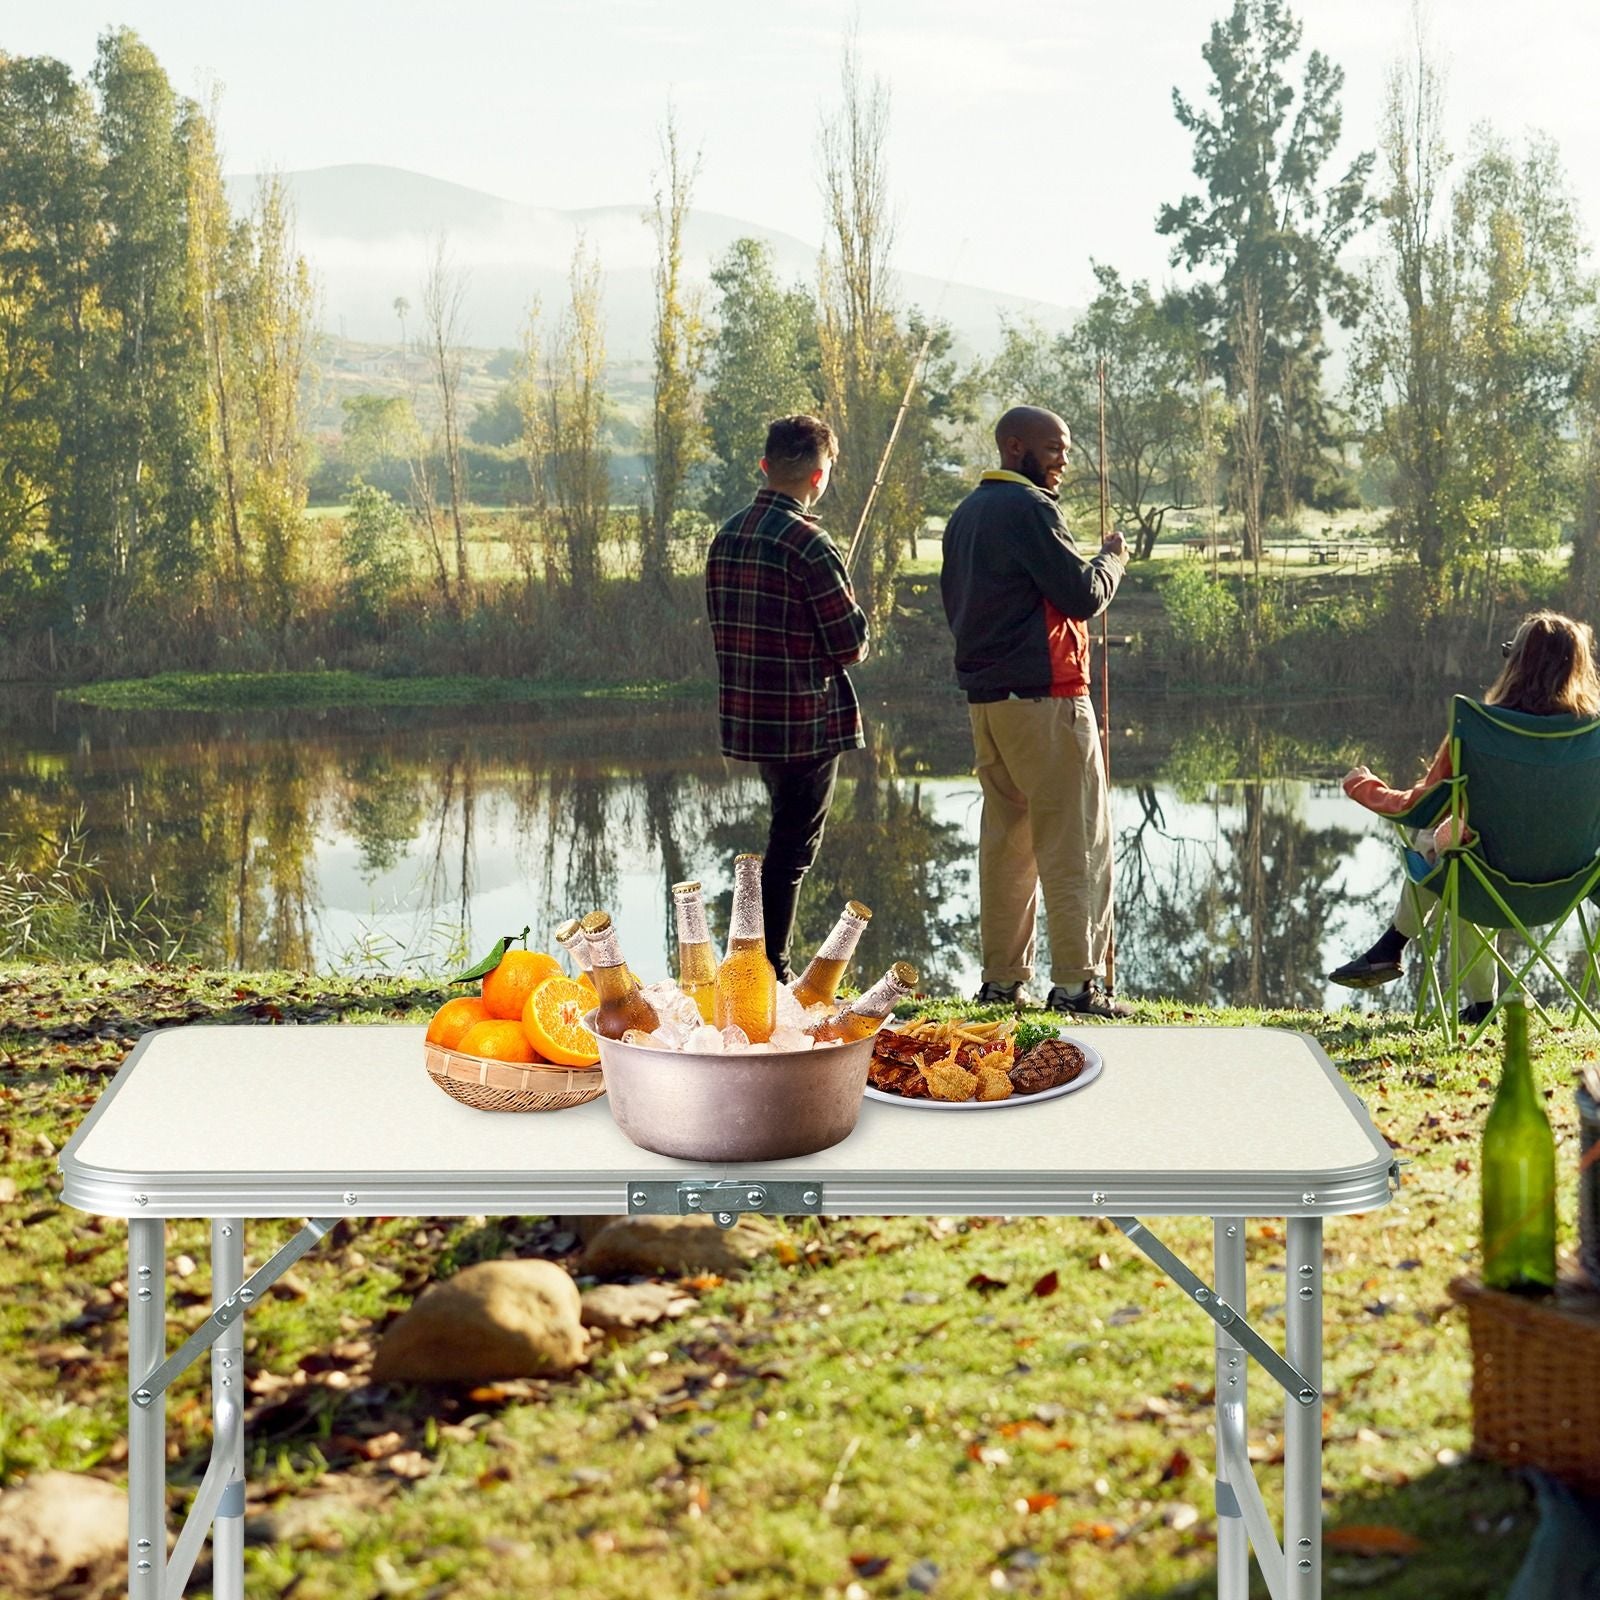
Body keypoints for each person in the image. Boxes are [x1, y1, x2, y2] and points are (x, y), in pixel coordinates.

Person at [941, 405, 1128, 1016]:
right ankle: (1077, 985)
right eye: (1053, 449)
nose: (1064, 461)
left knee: (1007, 847)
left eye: (1067, 450)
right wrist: (1112, 560)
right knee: (1074, 841)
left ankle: (1002, 982)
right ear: (1014, 446)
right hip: (1046, 702)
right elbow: (1080, 594)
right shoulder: (1029, 508)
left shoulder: (964, 515)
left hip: (988, 707)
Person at [1329, 610, 1600, 1023]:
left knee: (1450, 853)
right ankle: (1475, 1001)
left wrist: (1362, 786)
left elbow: (1418, 807)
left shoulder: (1478, 728)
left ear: (1518, 664)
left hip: (1487, 885)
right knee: (1461, 852)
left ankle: (1396, 947)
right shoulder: (1592, 735)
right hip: (1569, 887)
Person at [705, 414, 869, 981]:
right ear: (819, 477)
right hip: (805, 723)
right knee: (792, 851)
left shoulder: (726, 535)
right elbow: (849, 645)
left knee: (782, 836)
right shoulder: (811, 544)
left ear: (766, 466)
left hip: (752, 721)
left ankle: (757, 967)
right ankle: (767, 971)